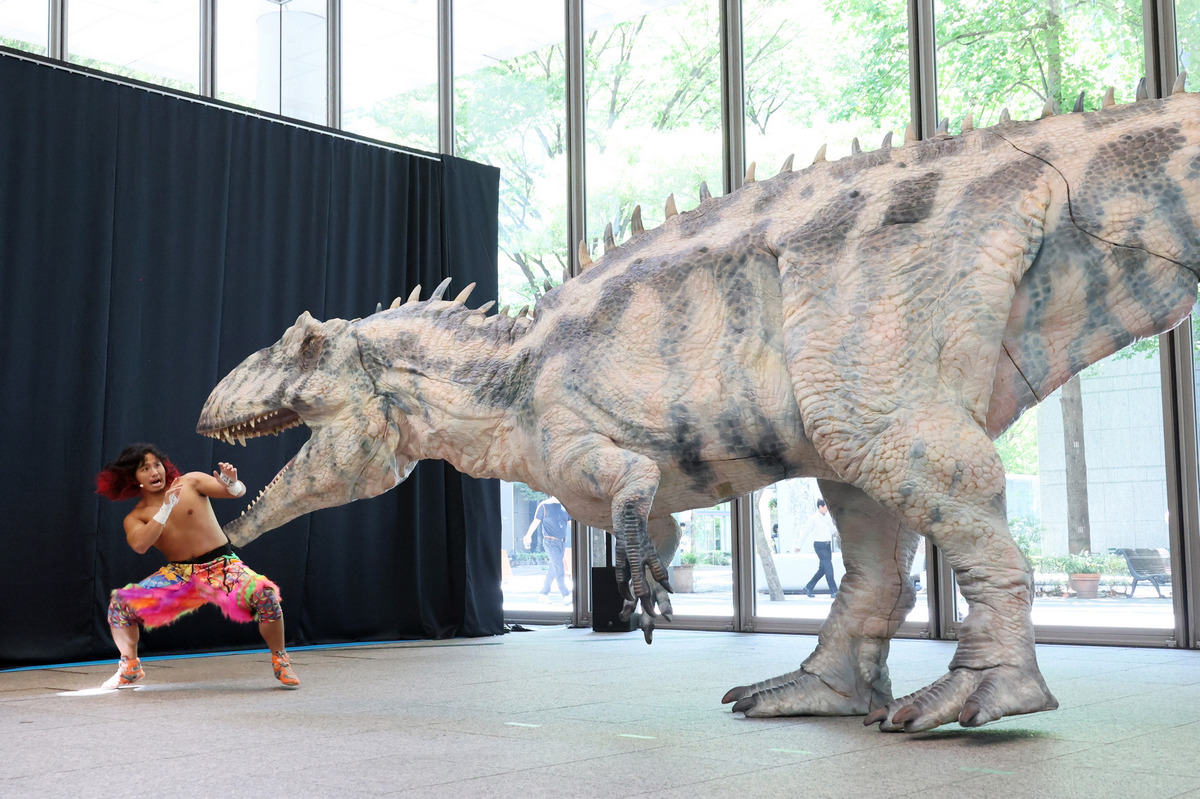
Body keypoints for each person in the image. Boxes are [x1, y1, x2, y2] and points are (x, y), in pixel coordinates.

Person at [94, 443, 299, 689]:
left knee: (266, 595)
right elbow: (140, 545)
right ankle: (129, 667)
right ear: (133, 478)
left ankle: (281, 660)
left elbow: (236, 492)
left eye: (156, 464)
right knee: (120, 605)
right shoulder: (136, 516)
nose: (153, 472)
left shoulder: (189, 482)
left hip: (222, 567)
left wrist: (233, 483)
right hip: (180, 575)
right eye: (144, 468)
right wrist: (166, 507)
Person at [523, 495, 572, 605]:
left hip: (562, 542)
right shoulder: (544, 505)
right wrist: (528, 536)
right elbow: (536, 522)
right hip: (550, 542)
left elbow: (570, 523)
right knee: (559, 567)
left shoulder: (565, 505)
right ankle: (566, 594)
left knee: (554, 569)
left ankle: (543, 594)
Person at [797, 498, 838, 598]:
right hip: (819, 546)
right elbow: (805, 532)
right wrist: (799, 546)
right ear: (820, 507)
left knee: (822, 570)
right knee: (829, 568)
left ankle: (808, 587)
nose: (827, 509)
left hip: (827, 545)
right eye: (826, 507)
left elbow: (832, 529)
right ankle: (834, 591)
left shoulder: (826, 517)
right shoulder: (813, 518)